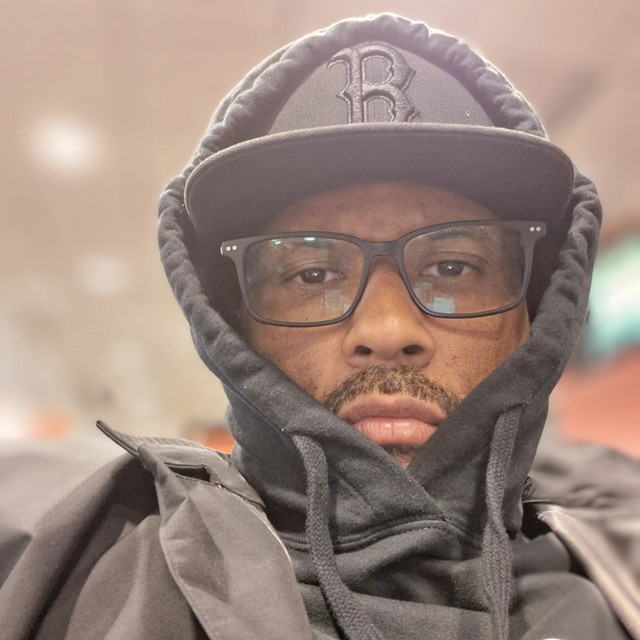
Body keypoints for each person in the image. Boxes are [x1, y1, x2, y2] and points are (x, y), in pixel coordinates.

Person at [1, 12, 638, 640]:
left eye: (453, 267)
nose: (386, 329)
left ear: (536, 314)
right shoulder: (67, 572)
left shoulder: (619, 573)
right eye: (310, 274)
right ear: (233, 327)